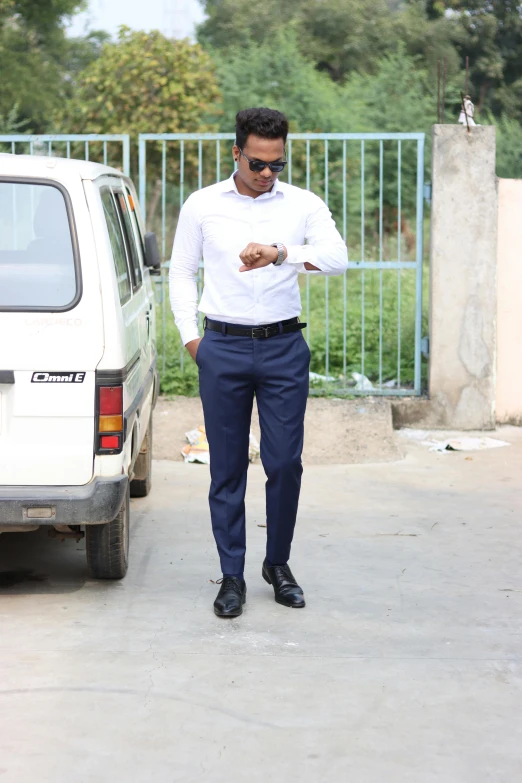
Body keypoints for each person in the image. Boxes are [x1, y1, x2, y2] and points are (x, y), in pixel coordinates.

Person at [169, 107, 348, 617]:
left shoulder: (302, 204)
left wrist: (280, 253)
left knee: (284, 463)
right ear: (236, 153)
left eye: (277, 164)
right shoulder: (203, 204)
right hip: (221, 346)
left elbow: (338, 258)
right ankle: (232, 575)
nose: (268, 173)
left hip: (283, 348)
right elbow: (181, 272)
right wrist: (190, 340)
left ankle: (278, 564)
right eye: (258, 163)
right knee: (226, 470)